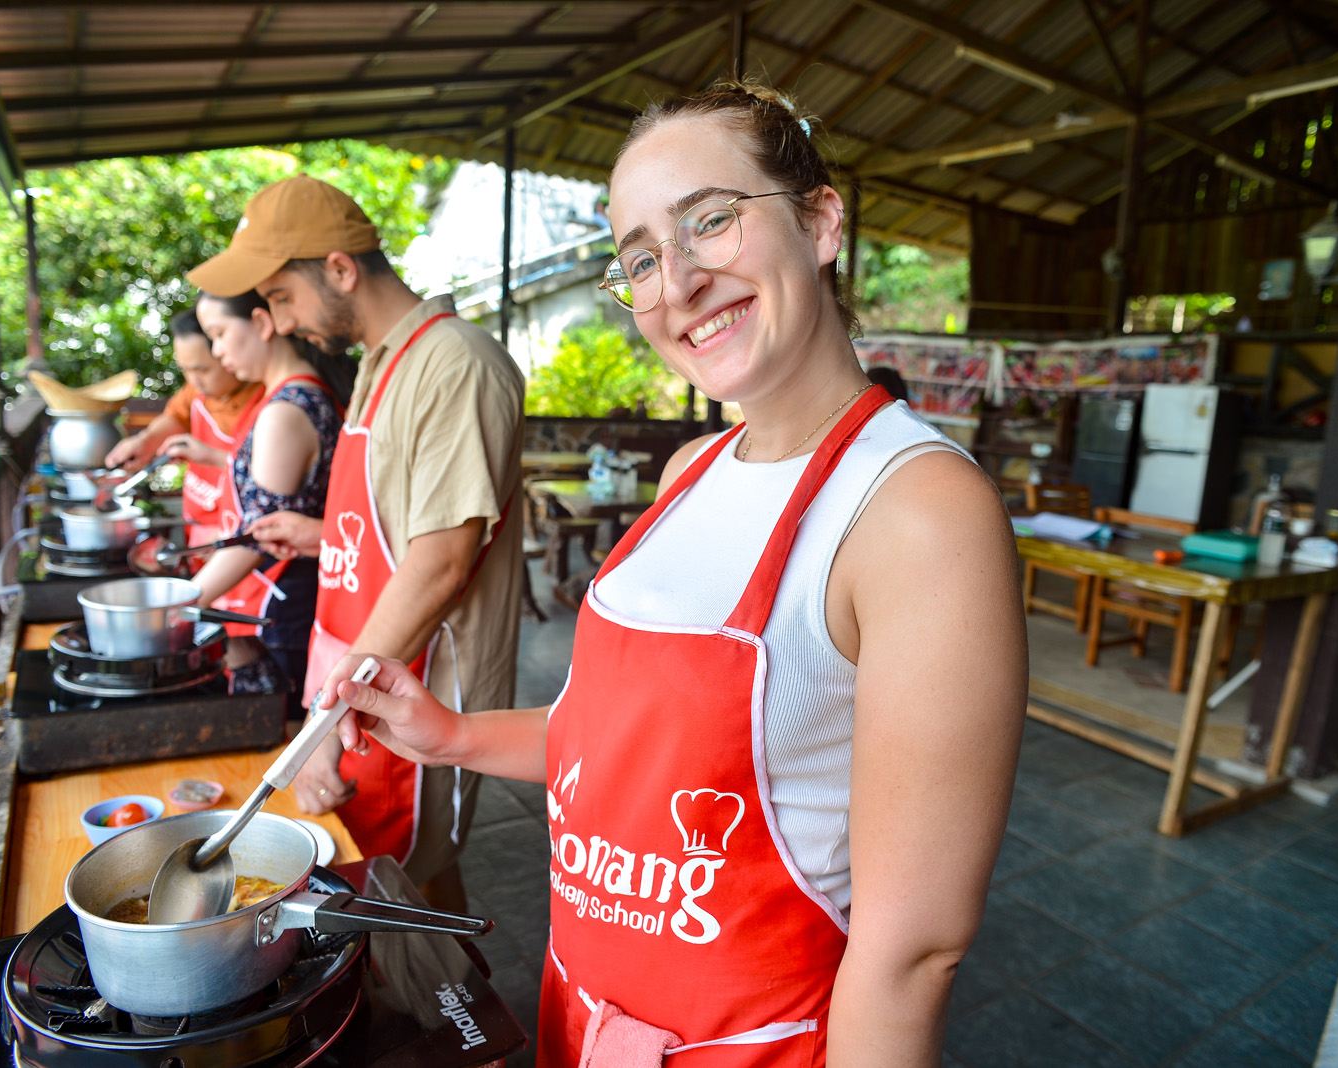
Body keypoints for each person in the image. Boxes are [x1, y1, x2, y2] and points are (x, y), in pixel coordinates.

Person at [316, 83, 1027, 1065]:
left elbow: (912, 955)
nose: (679, 281)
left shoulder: (917, 511)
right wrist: (451, 735)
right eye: (643, 258)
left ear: (821, 221)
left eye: (712, 221)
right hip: (585, 1020)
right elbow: (622, 744)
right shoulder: (691, 471)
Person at [187, 174, 526, 913]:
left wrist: (325, 725)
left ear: (340, 270)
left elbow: (438, 566)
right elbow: (392, 527)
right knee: (397, 883)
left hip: (415, 687)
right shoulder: (382, 363)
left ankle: (448, 991)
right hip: (362, 673)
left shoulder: (456, 364)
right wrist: (320, 538)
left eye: (282, 297)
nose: (280, 320)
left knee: (401, 884)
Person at [174, 289, 344, 696]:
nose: (217, 351)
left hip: (283, 609)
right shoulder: (296, 394)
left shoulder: (286, 410)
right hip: (292, 601)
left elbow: (257, 537)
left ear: (262, 324)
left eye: (219, 333)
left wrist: (176, 605)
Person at [103, 310, 264, 545]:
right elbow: (176, 417)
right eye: (185, 369)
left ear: (226, 351)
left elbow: (270, 476)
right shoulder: (197, 391)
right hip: (198, 526)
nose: (193, 380)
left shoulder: (268, 404)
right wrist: (146, 441)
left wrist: (211, 456)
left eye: (202, 370)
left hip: (238, 537)